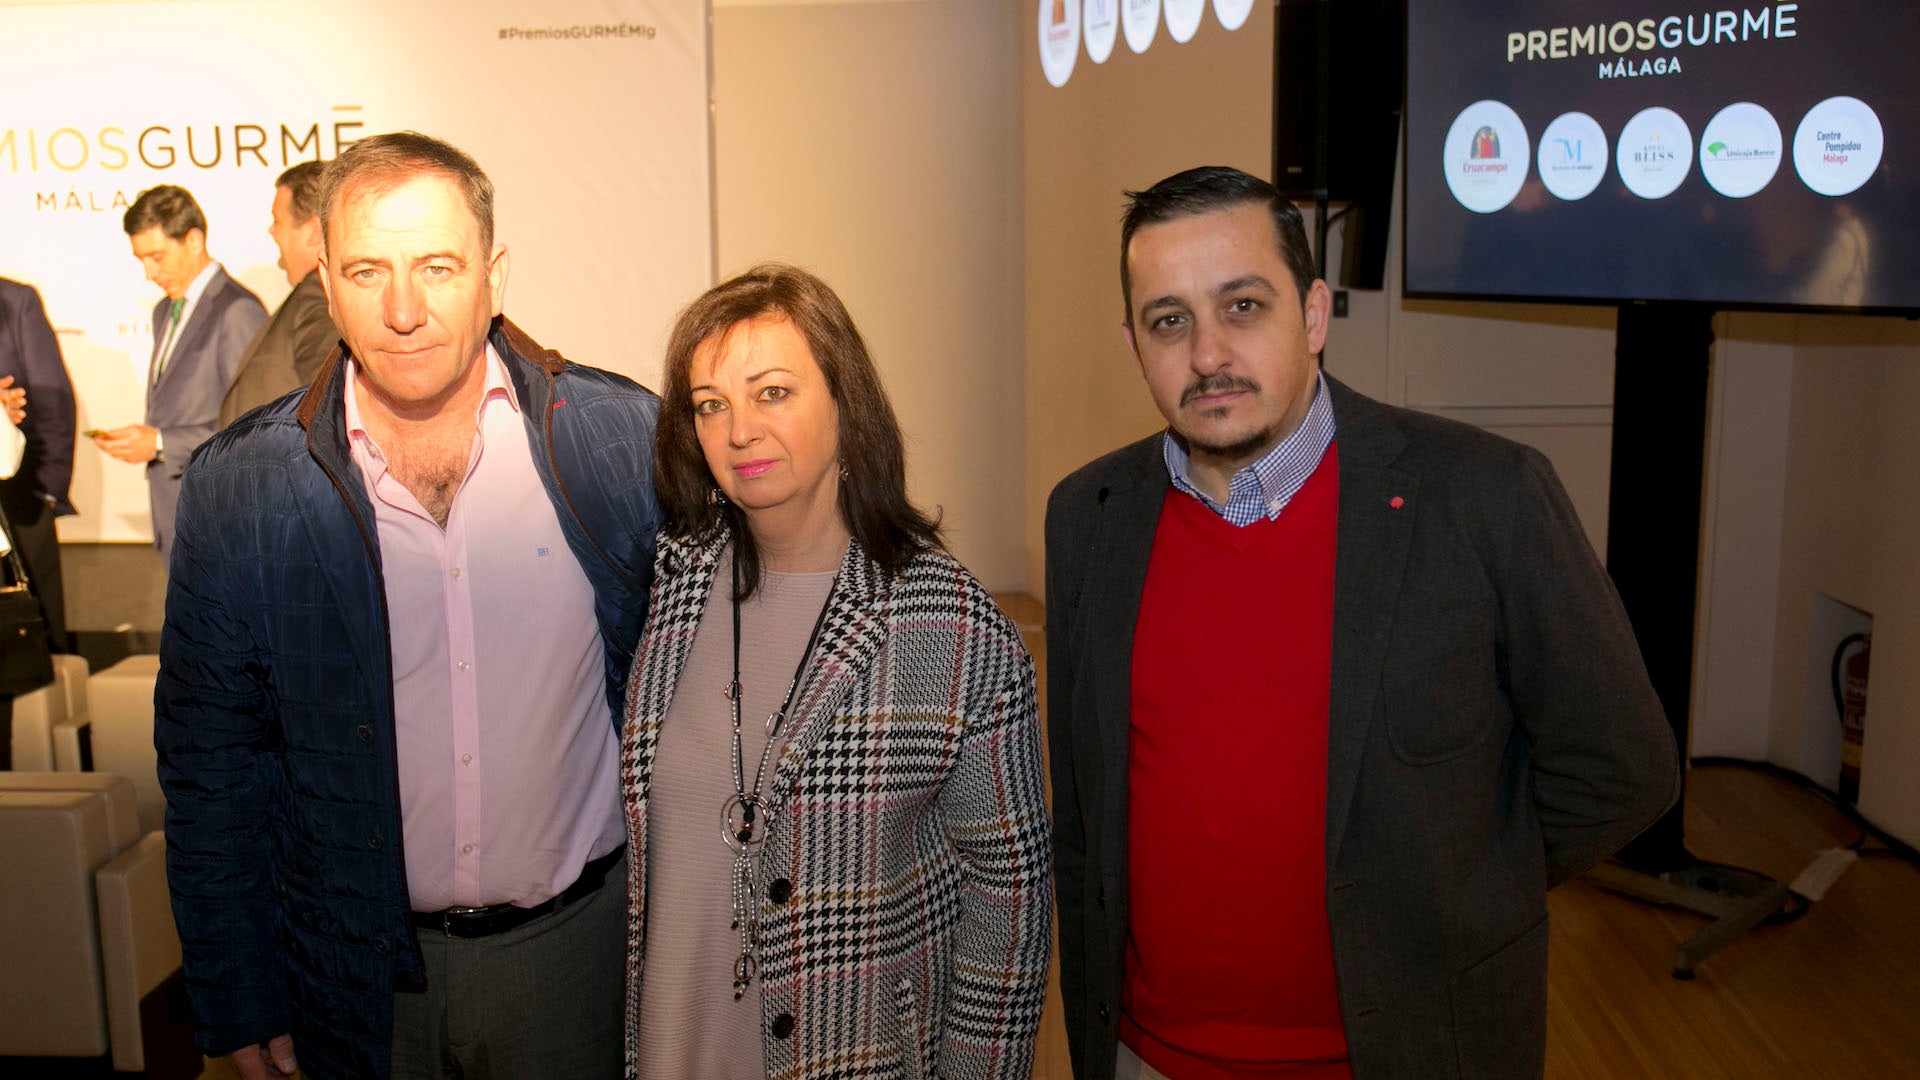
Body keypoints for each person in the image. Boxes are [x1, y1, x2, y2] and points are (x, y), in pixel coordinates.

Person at [1044, 166, 1680, 1080]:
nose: (1209, 354)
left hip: (1406, 1053)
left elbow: (1623, 766)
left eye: (1244, 306)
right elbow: (1087, 816)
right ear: (1135, 344)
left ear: (1311, 316)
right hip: (1147, 1056)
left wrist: (1462, 880)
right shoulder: (1089, 515)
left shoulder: (1485, 496)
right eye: (1169, 320)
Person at [154, 132, 661, 1080]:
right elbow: (210, 763)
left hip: (576, 963)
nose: (402, 309)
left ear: (493, 274)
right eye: (366, 270)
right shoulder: (242, 486)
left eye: (436, 266)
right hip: (346, 978)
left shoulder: (621, 443)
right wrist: (235, 992)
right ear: (327, 286)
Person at [623, 263, 1050, 1080]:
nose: (738, 430)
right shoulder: (673, 587)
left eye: (772, 392)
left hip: (851, 1057)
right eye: (711, 405)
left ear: (845, 404)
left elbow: (1012, 905)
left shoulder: (949, 628)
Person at [94, 185, 267, 556]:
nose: (148, 272)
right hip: (175, 516)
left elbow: (256, 426)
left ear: (193, 240)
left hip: (219, 518)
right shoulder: (163, 311)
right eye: (141, 259)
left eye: (156, 256)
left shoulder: (237, 311)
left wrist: (158, 443)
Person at [218, 160, 339, 427]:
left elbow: (330, 406)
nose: (271, 231)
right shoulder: (312, 293)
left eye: (277, 220)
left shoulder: (318, 294)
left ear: (313, 231)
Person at [0, 277, 75, 652]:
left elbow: (54, 401)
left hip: (20, 496)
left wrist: (46, 489)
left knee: (38, 638)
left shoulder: (16, 301)